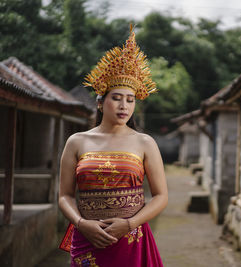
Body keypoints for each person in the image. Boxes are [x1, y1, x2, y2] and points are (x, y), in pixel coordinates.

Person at [58, 26, 168, 267]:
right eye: (116, 98)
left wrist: (128, 224)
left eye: (130, 100)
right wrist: (81, 223)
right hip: (87, 238)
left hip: (130, 239)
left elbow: (161, 196)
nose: (124, 106)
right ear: (100, 102)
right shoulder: (77, 141)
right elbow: (65, 195)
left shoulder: (145, 142)